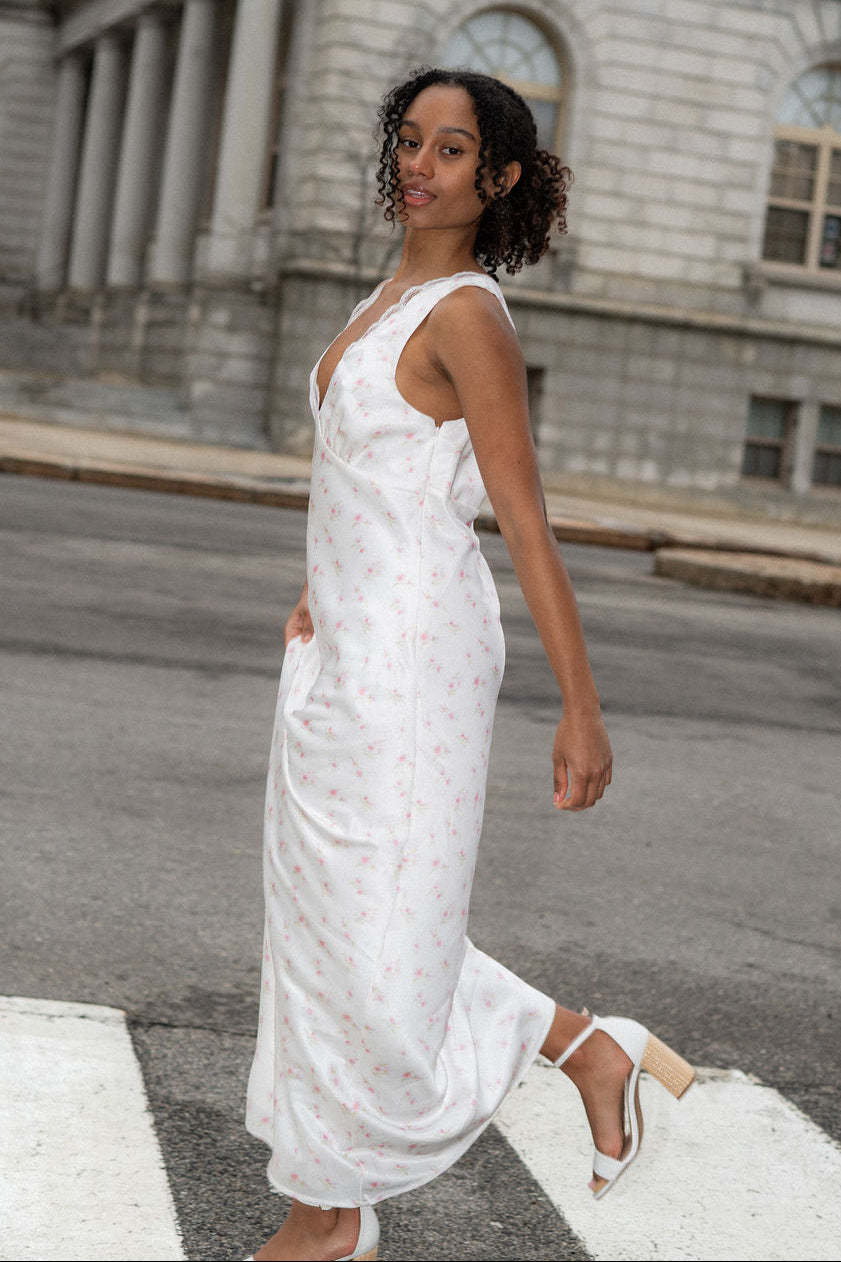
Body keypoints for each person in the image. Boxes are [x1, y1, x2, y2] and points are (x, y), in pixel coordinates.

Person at [243, 67, 694, 1262]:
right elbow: (375, 472)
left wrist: (580, 710)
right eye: (408, 141)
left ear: (496, 179)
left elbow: (523, 519)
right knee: (324, 921)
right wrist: (319, 578)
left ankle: (328, 1212)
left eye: (451, 152)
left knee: (374, 927)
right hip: (344, 645)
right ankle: (576, 1052)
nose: (418, 165)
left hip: (412, 665)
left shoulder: (468, 313)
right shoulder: (393, 291)